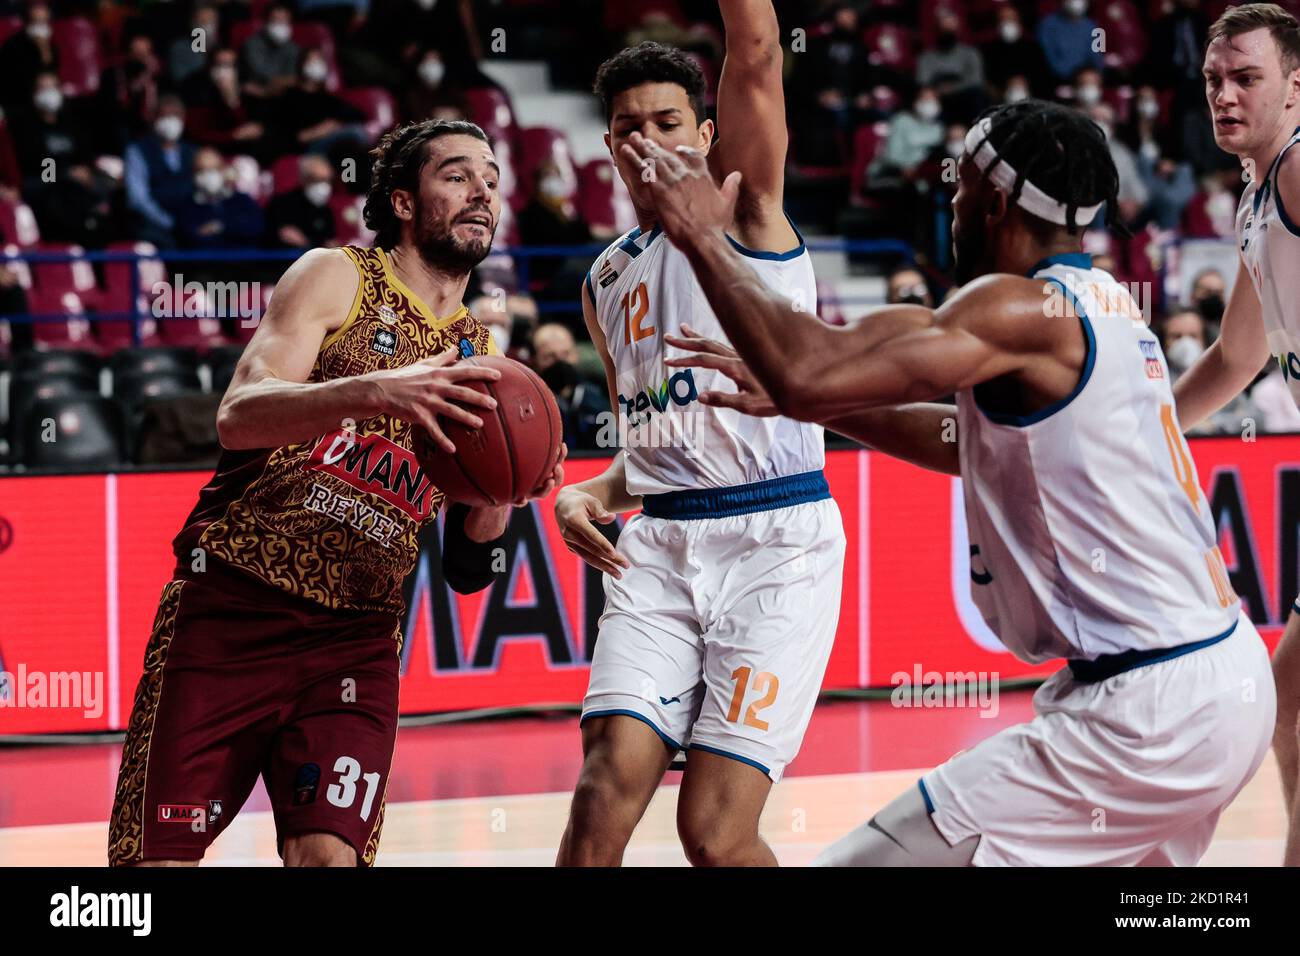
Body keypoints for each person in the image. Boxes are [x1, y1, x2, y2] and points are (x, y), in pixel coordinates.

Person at [631, 97, 1275, 866]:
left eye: (961, 188)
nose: (953, 204)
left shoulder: (1014, 309)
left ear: (996, 200)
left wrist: (701, 231)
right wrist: (836, 402)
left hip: (1149, 708)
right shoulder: (1101, 301)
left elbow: (806, 371)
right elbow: (955, 437)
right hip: (1217, 678)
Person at [108, 119, 565, 868]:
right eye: (456, 175)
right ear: (404, 201)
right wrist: (380, 390)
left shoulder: (484, 358)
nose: (481, 191)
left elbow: (467, 569)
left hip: (354, 639)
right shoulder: (338, 275)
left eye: (490, 177)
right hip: (232, 611)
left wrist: (508, 493)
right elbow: (237, 415)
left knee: (329, 858)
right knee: (153, 867)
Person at [553, 0, 846, 869]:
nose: (646, 137)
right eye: (627, 125)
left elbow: (755, 46)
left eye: (668, 120)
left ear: (708, 131)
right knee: (602, 792)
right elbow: (645, 453)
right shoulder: (604, 277)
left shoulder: (744, 205)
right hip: (663, 541)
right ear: (607, 145)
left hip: (777, 539)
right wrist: (587, 492)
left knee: (713, 836)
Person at [1168, 3, 1300, 866]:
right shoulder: (1258, 193)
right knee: (1285, 702)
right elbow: (1236, 357)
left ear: (1297, 85)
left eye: (1246, 77)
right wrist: (1137, 427)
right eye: (1215, 78)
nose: (1225, 93)